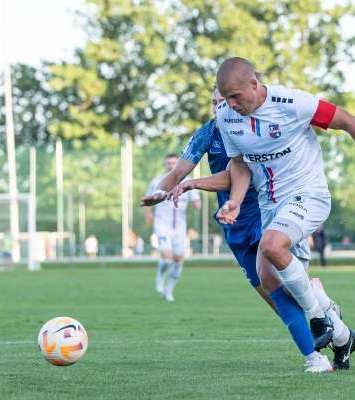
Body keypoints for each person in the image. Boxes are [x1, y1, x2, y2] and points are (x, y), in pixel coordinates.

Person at [215, 57, 355, 369]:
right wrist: (235, 200)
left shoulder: (292, 103)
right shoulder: (226, 116)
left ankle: (319, 320)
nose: (231, 104)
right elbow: (238, 163)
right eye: (226, 98)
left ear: (254, 83)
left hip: (309, 195)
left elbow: (348, 121)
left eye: (236, 96)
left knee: (272, 245)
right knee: (268, 276)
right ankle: (343, 335)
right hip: (271, 207)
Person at [143, 84, 339, 372]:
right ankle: (324, 318)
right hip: (233, 224)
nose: (220, 107)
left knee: (280, 282)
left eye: (224, 100)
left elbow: (237, 175)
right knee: (274, 298)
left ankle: (317, 353)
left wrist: (194, 184)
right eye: (214, 101)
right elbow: (177, 173)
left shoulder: (254, 127)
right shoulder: (208, 132)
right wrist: (161, 193)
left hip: (268, 213)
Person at [143, 154, 201, 301]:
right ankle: (161, 274)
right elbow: (147, 198)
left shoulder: (188, 181)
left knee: (178, 260)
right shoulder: (157, 181)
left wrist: (197, 204)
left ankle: (168, 291)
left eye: (174, 163)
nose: (171, 165)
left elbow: (197, 202)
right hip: (162, 225)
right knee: (167, 258)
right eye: (168, 163)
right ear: (165, 165)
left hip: (179, 228)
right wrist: (148, 214)